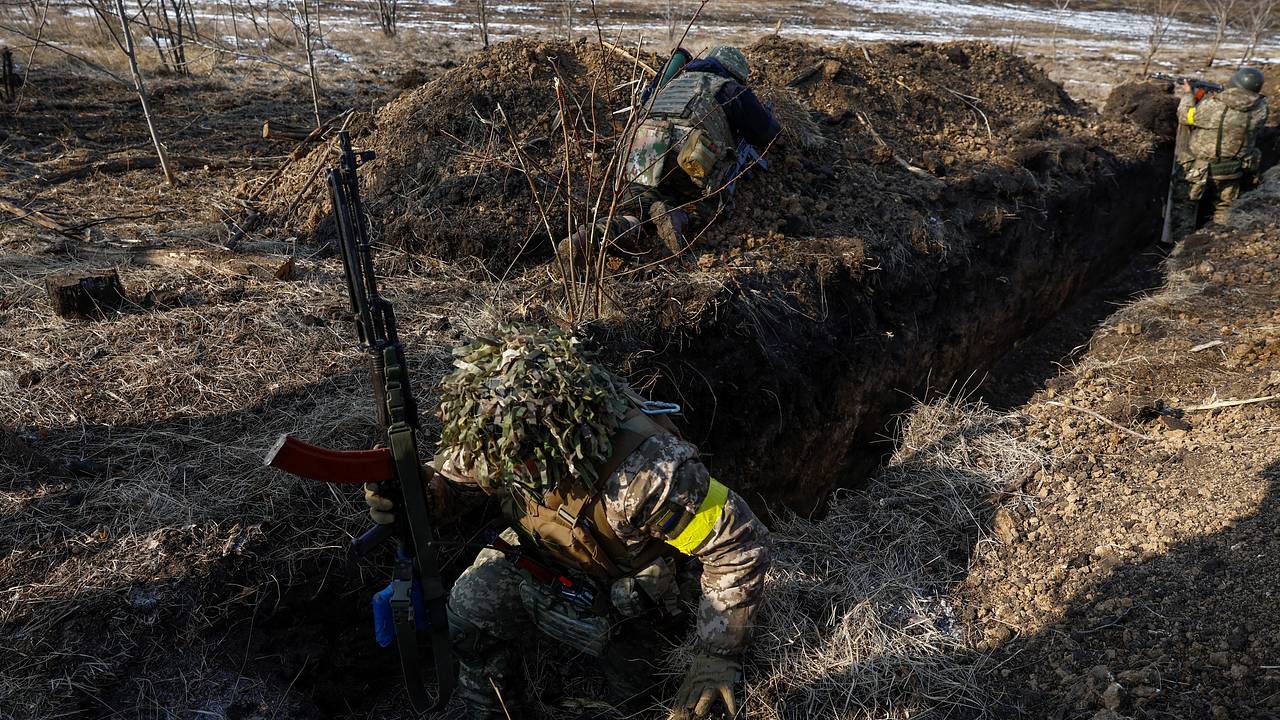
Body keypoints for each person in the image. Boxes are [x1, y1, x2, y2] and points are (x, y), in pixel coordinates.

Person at [364, 325, 770, 720]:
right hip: (545, 558)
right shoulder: (496, 434)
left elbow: (737, 544)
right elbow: (458, 483)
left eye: (514, 460)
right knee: (468, 616)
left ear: (557, 439)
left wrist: (718, 655)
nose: (497, 468)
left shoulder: (648, 474)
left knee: (641, 697)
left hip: (632, 594)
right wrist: (421, 495)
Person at [558, 45, 781, 269]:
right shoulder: (730, 88)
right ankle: (679, 215)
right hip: (688, 159)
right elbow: (766, 133)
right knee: (710, 207)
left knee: (633, 211)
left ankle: (587, 237)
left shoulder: (672, 81)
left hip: (642, 152)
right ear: (735, 73)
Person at [1169, 67, 1269, 240]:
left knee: (1185, 205)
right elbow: (1235, 113)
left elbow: (1186, 116)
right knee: (1224, 208)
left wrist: (1188, 94)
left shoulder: (1213, 105)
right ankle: (1218, 241)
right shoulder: (1261, 110)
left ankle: (1182, 244)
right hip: (1233, 170)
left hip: (1199, 170)